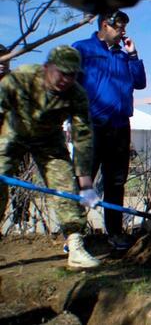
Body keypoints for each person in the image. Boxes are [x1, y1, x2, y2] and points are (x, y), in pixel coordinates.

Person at [0, 46, 101, 268]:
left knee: (66, 187)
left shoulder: (77, 94)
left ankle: (75, 245)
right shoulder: (21, 78)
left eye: (72, 74)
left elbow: (82, 136)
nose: (66, 79)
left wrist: (85, 183)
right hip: (14, 133)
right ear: (47, 67)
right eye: (62, 72)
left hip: (49, 140)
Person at [72, 10, 146, 250]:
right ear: (105, 25)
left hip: (120, 126)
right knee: (83, 180)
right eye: (119, 27)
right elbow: (69, 83)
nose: (123, 31)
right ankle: (73, 236)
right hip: (92, 126)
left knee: (116, 182)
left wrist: (133, 55)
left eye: (124, 27)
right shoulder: (82, 49)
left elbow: (140, 83)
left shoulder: (123, 56)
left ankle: (115, 233)